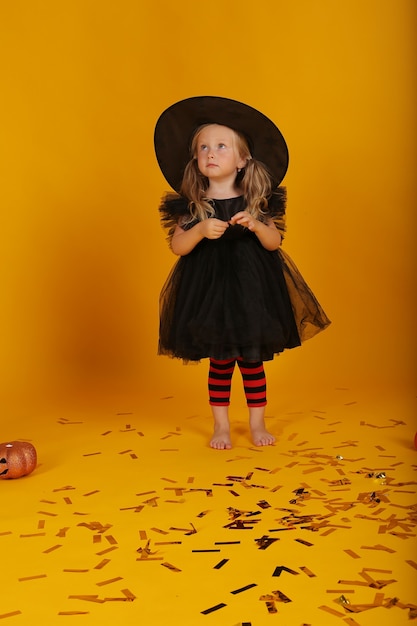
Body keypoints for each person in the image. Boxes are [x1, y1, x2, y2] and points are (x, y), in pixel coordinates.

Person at [154, 96, 330, 450]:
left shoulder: (256, 201)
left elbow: (273, 242)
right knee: (220, 362)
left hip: (252, 291)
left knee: (251, 361)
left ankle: (257, 422)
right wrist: (200, 230)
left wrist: (255, 224)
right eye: (203, 147)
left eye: (221, 146)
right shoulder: (192, 205)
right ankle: (220, 426)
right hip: (209, 294)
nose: (210, 153)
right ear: (195, 158)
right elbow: (178, 246)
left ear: (242, 159)